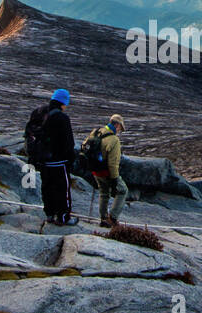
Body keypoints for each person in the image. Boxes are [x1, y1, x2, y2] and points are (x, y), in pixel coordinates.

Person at [26, 88, 77, 226]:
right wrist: (71, 159)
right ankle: (64, 217)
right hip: (59, 161)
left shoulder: (40, 113)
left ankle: (49, 214)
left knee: (47, 187)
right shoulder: (62, 118)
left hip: (43, 160)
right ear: (63, 102)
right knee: (62, 189)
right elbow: (68, 142)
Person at [89, 114, 128, 228]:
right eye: (120, 128)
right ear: (117, 125)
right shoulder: (114, 140)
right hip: (106, 172)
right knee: (123, 191)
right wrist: (115, 179)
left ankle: (103, 218)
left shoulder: (97, 132)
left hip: (95, 171)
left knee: (104, 192)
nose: (120, 130)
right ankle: (113, 218)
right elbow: (113, 163)